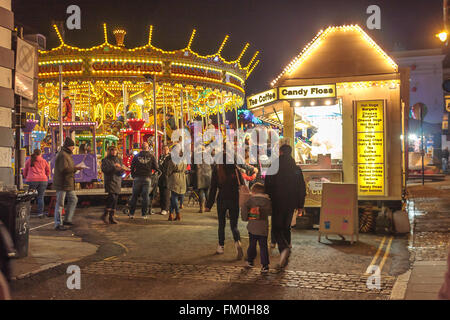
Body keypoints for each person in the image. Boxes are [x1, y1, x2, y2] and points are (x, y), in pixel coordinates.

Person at [265, 144, 306, 269]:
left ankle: (284, 248)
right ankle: (287, 246)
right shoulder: (296, 168)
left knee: (276, 228)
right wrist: (300, 205)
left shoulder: (274, 166)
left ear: (281, 152)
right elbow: (301, 188)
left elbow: (267, 184)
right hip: (291, 202)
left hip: (277, 202)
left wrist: (269, 197)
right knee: (286, 226)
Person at [205, 152, 244, 259]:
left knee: (221, 224)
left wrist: (209, 204)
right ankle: (237, 243)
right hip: (234, 199)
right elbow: (243, 184)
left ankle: (221, 246)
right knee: (234, 225)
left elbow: (213, 189)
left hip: (222, 199)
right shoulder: (236, 170)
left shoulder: (217, 171)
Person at [53, 137, 83, 230]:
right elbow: (64, 169)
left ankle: (67, 219)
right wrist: (75, 168)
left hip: (67, 183)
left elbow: (66, 168)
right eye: (72, 146)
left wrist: (74, 168)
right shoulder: (63, 155)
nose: (73, 148)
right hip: (62, 183)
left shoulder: (66, 154)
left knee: (73, 199)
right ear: (69, 146)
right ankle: (58, 224)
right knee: (60, 203)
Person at [241, 183, 272, 273]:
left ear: (253, 191)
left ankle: (250, 261)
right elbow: (271, 212)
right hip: (263, 228)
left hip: (252, 227)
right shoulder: (268, 201)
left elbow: (244, 209)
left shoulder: (250, 200)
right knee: (263, 246)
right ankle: (265, 265)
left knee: (252, 244)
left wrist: (245, 218)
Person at [129, 142, 158, 219]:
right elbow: (156, 167)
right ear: (148, 148)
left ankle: (131, 214)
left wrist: (133, 175)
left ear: (141, 148)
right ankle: (143, 214)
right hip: (147, 178)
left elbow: (132, 167)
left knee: (134, 196)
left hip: (137, 178)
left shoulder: (136, 156)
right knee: (145, 197)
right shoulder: (151, 156)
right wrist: (151, 173)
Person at [101, 146, 126, 224]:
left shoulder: (119, 160)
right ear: (109, 151)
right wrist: (114, 167)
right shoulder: (105, 160)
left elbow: (121, 171)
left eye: (115, 150)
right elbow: (104, 169)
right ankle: (105, 214)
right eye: (112, 150)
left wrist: (122, 170)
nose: (114, 152)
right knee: (111, 196)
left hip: (117, 180)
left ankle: (112, 216)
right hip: (110, 180)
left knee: (115, 198)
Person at [23, 149, 50, 217]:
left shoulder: (29, 160)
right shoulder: (44, 161)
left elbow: (25, 170)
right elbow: (48, 170)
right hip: (43, 180)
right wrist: (45, 176)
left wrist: (26, 177)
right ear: (41, 154)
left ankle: (27, 214)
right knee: (40, 197)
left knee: (28, 197)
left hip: (31, 180)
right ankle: (40, 213)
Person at [167, 150, 187, 221]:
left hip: (174, 178)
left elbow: (169, 171)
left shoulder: (172, 160)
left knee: (174, 196)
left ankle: (178, 213)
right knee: (174, 197)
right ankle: (171, 215)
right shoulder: (184, 160)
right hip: (182, 177)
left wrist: (168, 176)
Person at [158, 145, 171, 215]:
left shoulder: (170, 157)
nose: (165, 150)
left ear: (169, 150)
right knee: (161, 193)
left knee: (166, 194)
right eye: (164, 149)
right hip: (161, 178)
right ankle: (162, 208)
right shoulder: (161, 157)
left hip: (167, 178)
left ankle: (166, 209)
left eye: (167, 149)